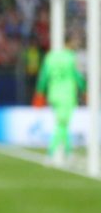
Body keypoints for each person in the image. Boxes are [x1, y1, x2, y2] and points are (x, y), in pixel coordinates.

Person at [34, 38, 85, 166]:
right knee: (61, 125)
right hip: (67, 95)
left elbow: (44, 76)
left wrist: (40, 92)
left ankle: (69, 153)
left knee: (63, 125)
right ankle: (51, 153)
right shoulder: (70, 57)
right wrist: (85, 89)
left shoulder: (50, 57)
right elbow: (77, 76)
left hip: (54, 94)